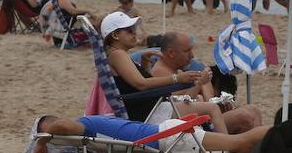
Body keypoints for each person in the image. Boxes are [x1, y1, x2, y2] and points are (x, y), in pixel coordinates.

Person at [102, 13, 251, 144]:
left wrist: (145, 64)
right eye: (129, 31)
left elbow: (136, 85)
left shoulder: (118, 55)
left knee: (204, 106)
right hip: (150, 113)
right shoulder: (117, 54)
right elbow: (141, 84)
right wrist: (177, 78)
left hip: (150, 108)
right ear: (115, 35)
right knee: (211, 108)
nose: (134, 34)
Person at [29, 113, 268, 153]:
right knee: (240, 146)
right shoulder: (98, 133)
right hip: (168, 135)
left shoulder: (84, 125)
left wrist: (43, 140)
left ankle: (291, 130)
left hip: (170, 136)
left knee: (241, 141)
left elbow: (60, 126)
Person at [147, 31, 262, 134]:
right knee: (245, 117)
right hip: (191, 128)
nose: (192, 55)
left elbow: (209, 101)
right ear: (171, 53)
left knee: (254, 110)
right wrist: (199, 83)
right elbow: (178, 109)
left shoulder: (177, 71)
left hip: (205, 121)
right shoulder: (161, 73)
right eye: (187, 51)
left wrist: (216, 100)